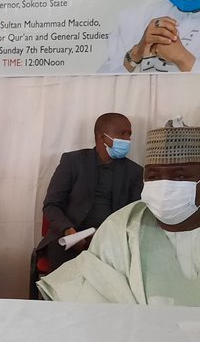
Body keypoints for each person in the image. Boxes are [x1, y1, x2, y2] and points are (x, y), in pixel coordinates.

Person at [38, 120, 200, 308]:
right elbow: (93, 293)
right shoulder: (121, 227)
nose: (165, 185)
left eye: (180, 176)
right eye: (154, 176)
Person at [36, 112, 143, 274]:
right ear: (102, 137)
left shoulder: (134, 172)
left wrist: (108, 237)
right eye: (122, 134)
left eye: (129, 134)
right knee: (67, 282)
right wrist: (68, 230)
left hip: (111, 242)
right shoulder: (72, 162)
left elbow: (134, 214)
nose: (128, 140)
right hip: (70, 237)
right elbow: (51, 205)